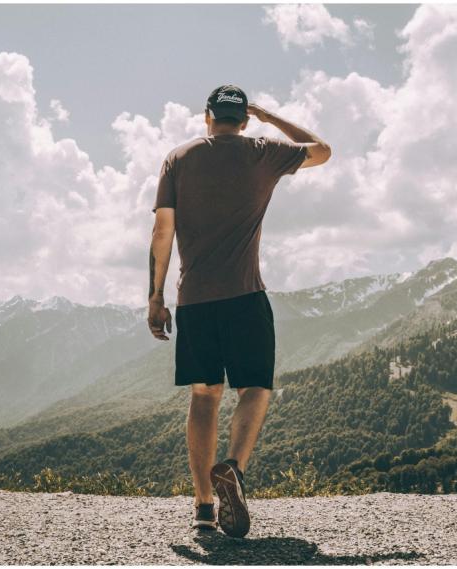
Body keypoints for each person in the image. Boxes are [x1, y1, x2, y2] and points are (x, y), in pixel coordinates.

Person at [147, 84, 332, 537]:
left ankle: (204, 507)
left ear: (206, 116)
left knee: (204, 395)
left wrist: (155, 297)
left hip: (194, 300)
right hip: (246, 296)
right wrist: (271, 118)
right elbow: (322, 151)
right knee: (255, 390)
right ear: (244, 120)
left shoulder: (178, 158)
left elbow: (162, 231)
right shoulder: (263, 152)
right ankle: (232, 467)